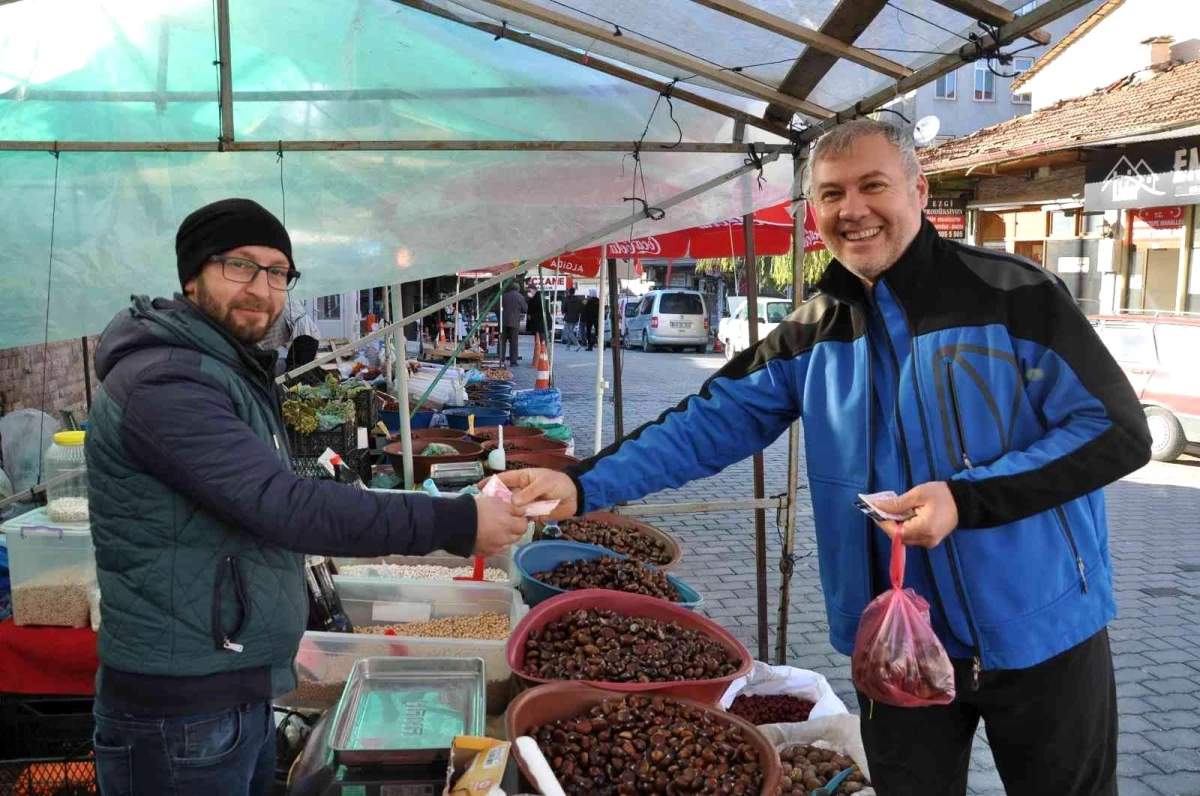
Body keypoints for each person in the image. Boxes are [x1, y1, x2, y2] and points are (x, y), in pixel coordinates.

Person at [495, 120, 1151, 796]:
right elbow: (710, 423)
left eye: (874, 186)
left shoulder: (1013, 295)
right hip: (892, 641)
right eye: (832, 194)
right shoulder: (814, 328)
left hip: (1044, 631)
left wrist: (968, 498)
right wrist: (581, 484)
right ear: (814, 211)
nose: (852, 210)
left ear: (919, 191)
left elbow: (1116, 431)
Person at [84, 198, 529, 796]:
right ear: (192, 276)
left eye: (277, 273)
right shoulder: (165, 379)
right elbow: (282, 504)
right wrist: (456, 521)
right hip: (181, 713)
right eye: (239, 266)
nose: (262, 288)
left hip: (232, 689)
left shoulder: (229, 368)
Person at [499, 282, 526, 366]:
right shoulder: (520, 296)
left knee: (502, 342)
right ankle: (513, 361)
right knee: (514, 342)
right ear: (518, 289)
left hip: (503, 322)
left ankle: (500, 359)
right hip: (514, 322)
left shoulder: (503, 296)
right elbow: (525, 309)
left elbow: (497, 308)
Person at [561, 286, 583, 350]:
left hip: (568, 317)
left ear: (569, 292)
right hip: (575, 318)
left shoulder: (567, 299)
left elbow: (564, 308)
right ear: (574, 292)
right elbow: (581, 308)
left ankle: (577, 344)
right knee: (571, 332)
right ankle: (568, 347)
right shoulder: (578, 299)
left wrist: (563, 311)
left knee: (569, 332)